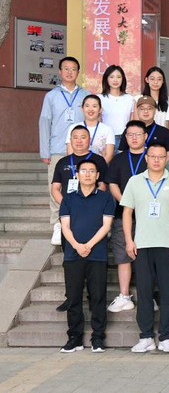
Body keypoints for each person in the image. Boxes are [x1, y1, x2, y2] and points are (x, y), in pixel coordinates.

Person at [121, 142, 169, 353]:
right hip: (142, 244)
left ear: (166, 159)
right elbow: (127, 213)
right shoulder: (134, 181)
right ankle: (146, 336)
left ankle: (166, 337)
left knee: (168, 293)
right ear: (147, 158)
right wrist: (129, 240)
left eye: (161, 156)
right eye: (153, 156)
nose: (157, 160)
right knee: (144, 292)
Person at [58, 159, 115, 353]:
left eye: (92, 171)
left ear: (98, 175)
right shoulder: (68, 199)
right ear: (77, 175)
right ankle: (74, 338)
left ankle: (98, 337)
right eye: (84, 171)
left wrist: (88, 246)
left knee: (98, 296)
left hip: (97, 255)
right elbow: (65, 226)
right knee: (73, 297)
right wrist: (76, 246)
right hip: (72, 255)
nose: (88, 174)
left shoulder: (105, 198)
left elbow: (106, 226)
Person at [51, 126, 110, 312]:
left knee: (95, 264)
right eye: (75, 137)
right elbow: (55, 188)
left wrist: (88, 204)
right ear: (70, 140)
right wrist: (69, 206)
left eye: (83, 137)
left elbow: (103, 186)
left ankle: (94, 298)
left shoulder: (98, 161)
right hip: (70, 218)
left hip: (93, 217)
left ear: (89, 140)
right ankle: (70, 297)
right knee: (69, 260)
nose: (78, 141)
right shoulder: (62, 162)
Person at [40, 57, 90, 246]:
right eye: (66, 69)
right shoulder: (51, 96)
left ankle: (78, 221)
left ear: (78, 72)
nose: (70, 72)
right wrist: (45, 151)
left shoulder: (86, 95)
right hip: (58, 149)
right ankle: (57, 223)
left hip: (81, 150)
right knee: (55, 186)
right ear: (60, 72)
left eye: (73, 69)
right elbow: (45, 122)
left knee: (81, 185)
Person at [106, 120, 148, 313]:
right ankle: (124, 296)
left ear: (145, 136)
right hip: (122, 213)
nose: (134, 138)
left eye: (138, 134)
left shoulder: (151, 156)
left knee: (146, 257)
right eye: (130, 134)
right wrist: (126, 202)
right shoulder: (118, 159)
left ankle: (147, 296)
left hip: (148, 215)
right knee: (123, 255)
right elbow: (112, 183)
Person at [66, 95, 115, 163]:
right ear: (82, 109)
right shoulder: (73, 128)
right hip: (77, 168)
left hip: (100, 167)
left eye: (94, 106)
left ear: (100, 109)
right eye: (87, 106)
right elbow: (70, 152)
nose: (90, 109)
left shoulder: (107, 129)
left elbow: (109, 155)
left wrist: (98, 167)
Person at [98, 65, 137, 150]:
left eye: (118, 77)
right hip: (105, 138)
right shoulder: (100, 99)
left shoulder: (129, 99)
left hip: (124, 138)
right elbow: (98, 120)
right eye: (111, 77)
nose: (115, 80)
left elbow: (133, 121)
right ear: (106, 79)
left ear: (123, 79)